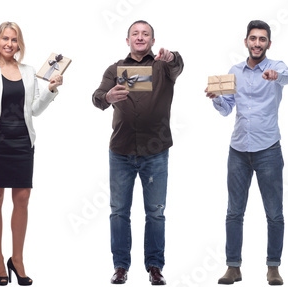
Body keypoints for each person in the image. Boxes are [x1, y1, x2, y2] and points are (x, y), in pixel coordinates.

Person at [92, 20, 183, 286]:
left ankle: (155, 267)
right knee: (119, 211)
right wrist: (107, 97)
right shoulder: (115, 69)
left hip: (155, 152)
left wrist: (172, 56)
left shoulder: (163, 67)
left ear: (153, 41)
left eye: (146, 34)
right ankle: (120, 267)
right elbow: (97, 97)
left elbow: (179, 64)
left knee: (155, 212)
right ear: (128, 39)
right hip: (120, 151)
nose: (140, 37)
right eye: (135, 34)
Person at [0, 21, 62, 286]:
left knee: (22, 201)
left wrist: (50, 89)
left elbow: (34, 110)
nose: (9, 44)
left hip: (22, 142)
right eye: (4, 39)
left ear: (19, 44)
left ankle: (18, 258)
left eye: (14, 39)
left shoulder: (29, 71)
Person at [206, 20, 288, 286]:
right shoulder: (235, 71)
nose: (257, 43)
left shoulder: (277, 67)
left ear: (268, 43)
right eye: (253, 39)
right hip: (239, 150)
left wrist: (275, 76)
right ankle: (233, 267)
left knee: (274, 213)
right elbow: (226, 108)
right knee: (234, 212)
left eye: (262, 39)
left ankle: (273, 268)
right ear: (246, 42)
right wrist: (216, 98)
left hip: (268, 150)